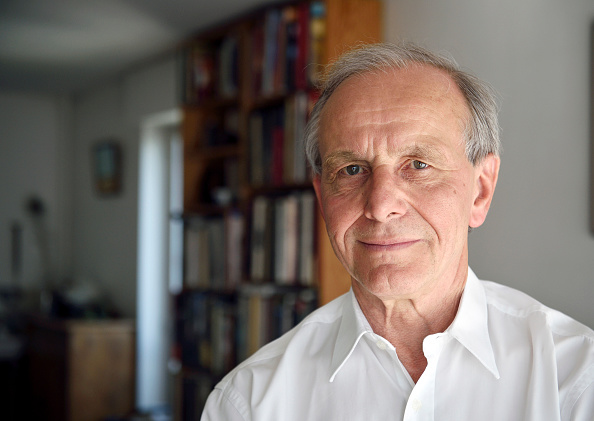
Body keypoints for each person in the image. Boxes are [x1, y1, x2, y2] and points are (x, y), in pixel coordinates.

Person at [201, 43, 594, 420]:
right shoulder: (248, 403)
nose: (380, 204)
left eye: (419, 165)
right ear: (322, 198)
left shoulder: (577, 379)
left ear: (481, 190)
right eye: (351, 170)